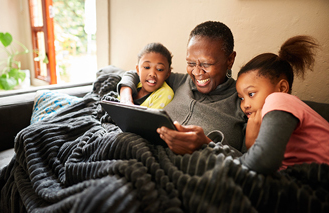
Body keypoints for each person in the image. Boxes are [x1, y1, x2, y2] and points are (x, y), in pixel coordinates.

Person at [118, 21, 247, 155]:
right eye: (191, 63)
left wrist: (207, 144)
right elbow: (135, 73)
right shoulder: (180, 81)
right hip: (145, 152)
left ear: (230, 60)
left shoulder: (244, 102)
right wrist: (126, 99)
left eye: (206, 64)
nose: (196, 72)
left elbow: (248, 162)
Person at [237, 35, 329, 174]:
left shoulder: (278, 99)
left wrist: (251, 143)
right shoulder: (270, 121)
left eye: (251, 94)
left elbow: (263, 161)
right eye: (241, 98)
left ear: (282, 88)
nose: (245, 105)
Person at [131, 42, 174, 109]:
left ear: (167, 74)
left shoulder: (165, 93)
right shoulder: (136, 85)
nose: (152, 74)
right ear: (138, 70)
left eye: (159, 69)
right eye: (146, 67)